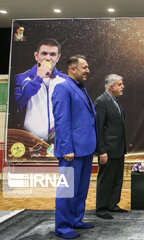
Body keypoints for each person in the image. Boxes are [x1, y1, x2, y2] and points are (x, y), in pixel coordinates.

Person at [52, 55, 96, 239]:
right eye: (84, 67)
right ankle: (63, 227)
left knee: (80, 189)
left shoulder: (81, 88)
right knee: (67, 190)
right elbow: (61, 121)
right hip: (71, 151)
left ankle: (76, 220)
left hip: (84, 150)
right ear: (72, 68)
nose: (88, 71)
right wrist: (66, 148)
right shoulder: (63, 87)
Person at [14, 38, 66, 142]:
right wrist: (37, 78)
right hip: (29, 140)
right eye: (44, 53)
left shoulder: (66, 81)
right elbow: (16, 103)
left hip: (58, 140)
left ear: (58, 57)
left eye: (52, 54)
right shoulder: (21, 78)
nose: (48, 58)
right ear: (36, 56)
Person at [95, 74, 127, 219]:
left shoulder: (115, 101)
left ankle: (112, 204)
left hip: (118, 149)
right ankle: (101, 208)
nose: (122, 87)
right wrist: (101, 151)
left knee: (117, 178)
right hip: (107, 150)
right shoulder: (101, 102)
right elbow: (98, 129)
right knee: (106, 180)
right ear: (111, 87)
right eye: (120, 84)